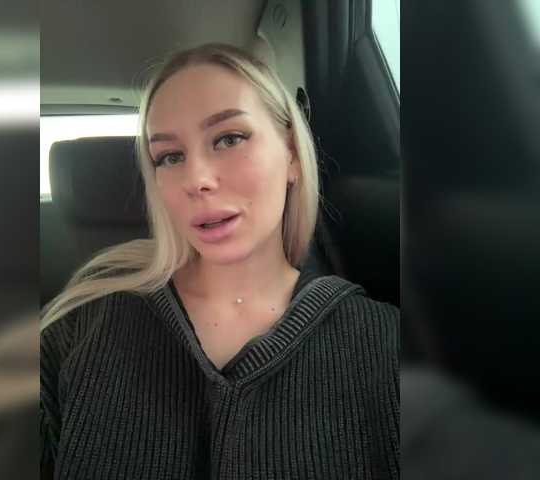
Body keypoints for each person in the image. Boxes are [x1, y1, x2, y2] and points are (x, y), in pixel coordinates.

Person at [40, 43, 399, 479]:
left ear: (291, 153)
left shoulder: (386, 346)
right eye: (170, 157)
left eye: (229, 139)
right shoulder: (79, 329)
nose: (197, 180)